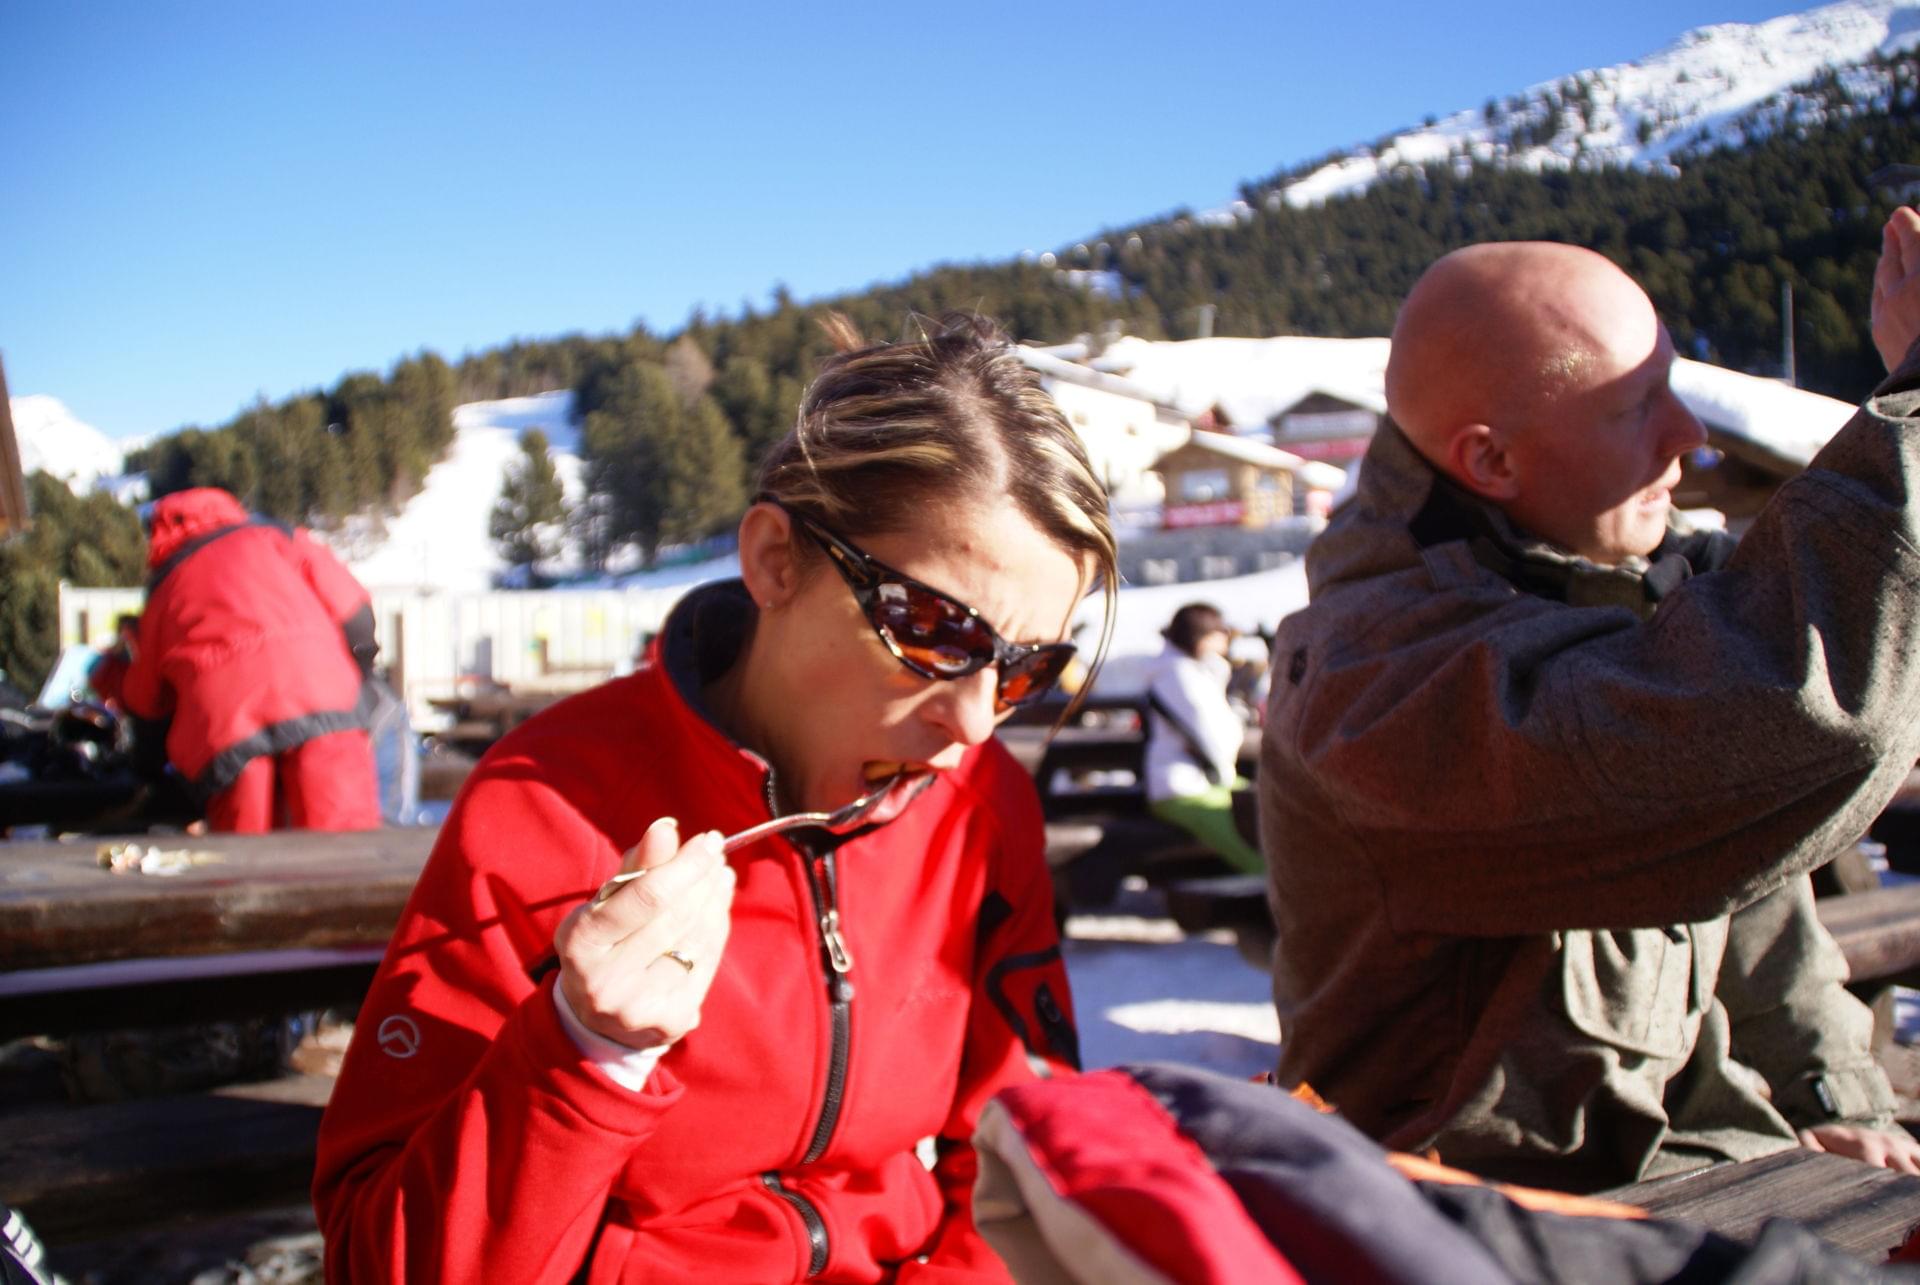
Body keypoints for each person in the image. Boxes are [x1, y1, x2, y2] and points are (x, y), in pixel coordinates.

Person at [312, 314, 1119, 1283]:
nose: (977, 723)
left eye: (1028, 669)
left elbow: (1019, 1159)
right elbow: (382, 1260)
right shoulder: (545, 803)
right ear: (776, 558)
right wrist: (584, 1049)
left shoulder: (981, 809)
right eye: (937, 631)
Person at [1259, 210, 1920, 1193]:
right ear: (1491, 462)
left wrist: (1833, 1092)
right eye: (1637, 405)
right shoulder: (1378, 681)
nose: (1690, 436)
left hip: (1676, 1169)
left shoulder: (1618, 581)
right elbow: (1797, 716)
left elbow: (1749, 888)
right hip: (1461, 1208)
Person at [120, 486, 380, 833]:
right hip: (325, 701)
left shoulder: (164, 588)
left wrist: (147, 763)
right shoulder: (279, 537)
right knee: (344, 851)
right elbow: (356, 615)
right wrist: (359, 675)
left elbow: (145, 701)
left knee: (248, 859)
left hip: (225, 730)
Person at [1143, 602, 1261, 873]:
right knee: (1260, 850)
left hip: (1197, 782)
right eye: (1222, 636)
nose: (1226, 644)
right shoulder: (1178, 675)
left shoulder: (1181, 671)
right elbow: (1218, 737)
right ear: (1205, 638)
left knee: (1265, 807)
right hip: (1186, 787)